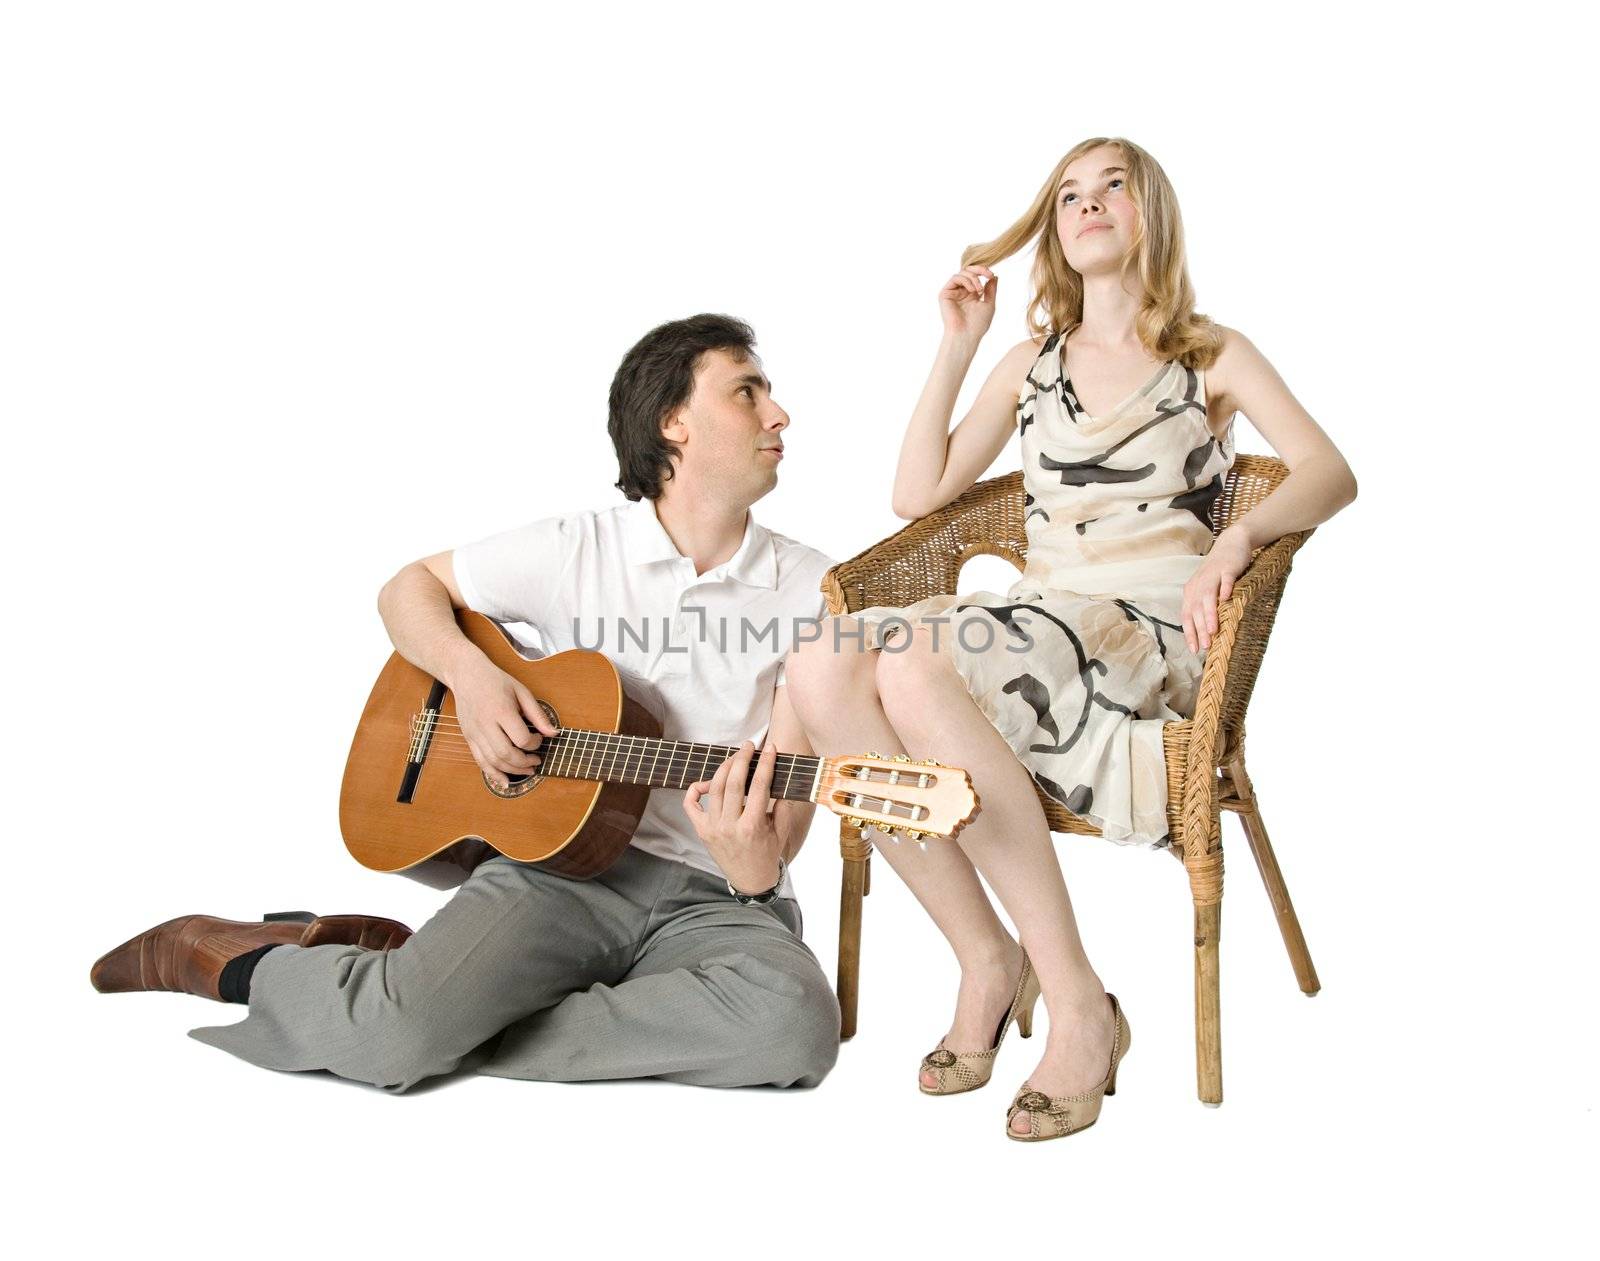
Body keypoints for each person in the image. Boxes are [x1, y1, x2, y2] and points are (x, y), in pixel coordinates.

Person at [91, 313, 843, 1093]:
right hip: (560, 875)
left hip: (712, 901)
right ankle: (245, 960)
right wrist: (476, 681)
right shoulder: (577, 550)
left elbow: (782, 832)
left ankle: (432, 1003)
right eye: (747, 392)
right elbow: (407, 589)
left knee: (792, 1028)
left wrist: (757, 876)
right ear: (672, 422)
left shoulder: (820, 593)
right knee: (394, 1044)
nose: (778, 414)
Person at [784, 137, 1358, 1140]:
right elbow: (917, 495)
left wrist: (1238, 537)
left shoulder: (1206, 352)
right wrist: (958, 343)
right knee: (820, 659)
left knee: (914, 672)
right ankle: (988, 960)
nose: (1087, 205)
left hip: (1140, 633)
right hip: (1033, 620)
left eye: (1112, 187)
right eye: (1066, 196)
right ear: (1054, 229)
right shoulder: (1030, 363)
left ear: (1151, 215)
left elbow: (1326, 470)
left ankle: (1077, 1007)